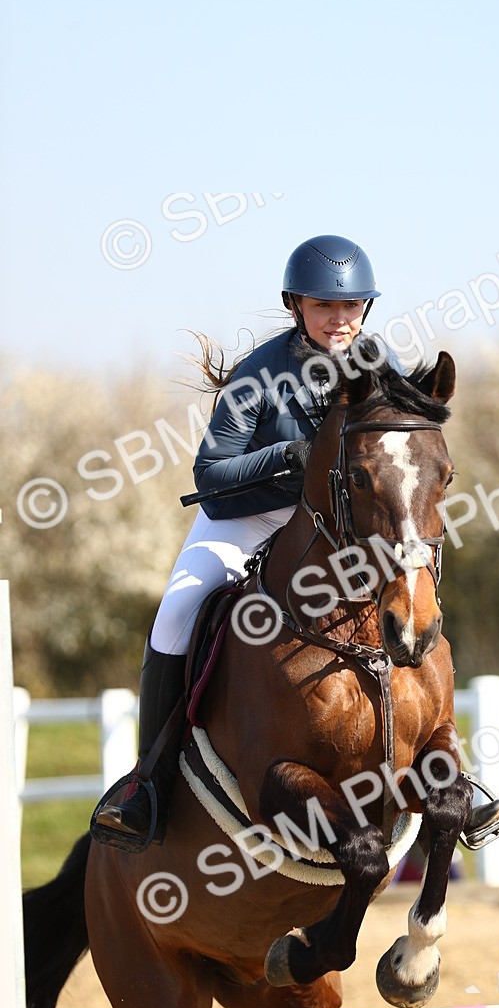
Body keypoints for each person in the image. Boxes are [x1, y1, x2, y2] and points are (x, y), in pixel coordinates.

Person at [92, 234, 380, 847]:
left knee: (411, 595)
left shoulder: (381, 367)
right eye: (324, 306)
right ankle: (146, 784)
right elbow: (211, 477)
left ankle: (444, 766)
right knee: (174, 615)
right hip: (246, 518)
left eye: (350, 306)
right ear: (296, 305)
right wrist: (297, 456)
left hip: (334, 529)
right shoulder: (257, 377)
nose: (339, 319)